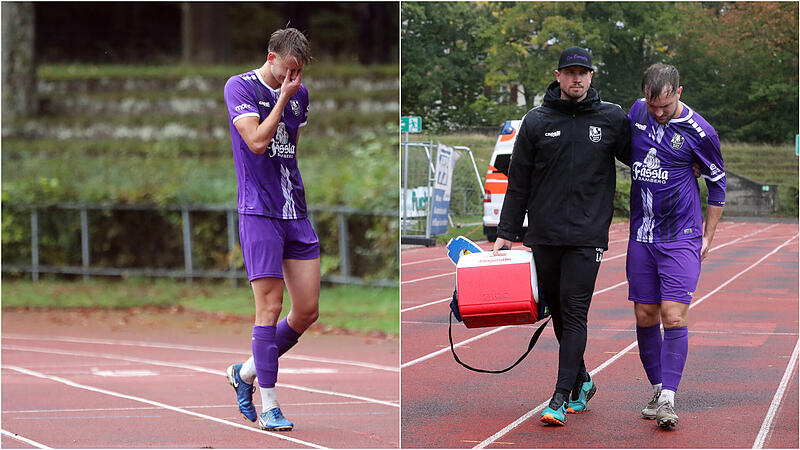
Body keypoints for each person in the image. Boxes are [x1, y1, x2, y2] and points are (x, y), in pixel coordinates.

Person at [492, 46, 631, 426]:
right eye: (569, 72)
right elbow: (518, 182)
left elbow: (644, 158)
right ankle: (583, 381)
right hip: (545, 235)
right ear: (558, 76)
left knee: (574, 312)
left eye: (582, 73)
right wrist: (506, 233)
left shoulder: (612, 118)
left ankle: (558, 397)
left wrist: (688, 163)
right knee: (557, 314)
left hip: (587, 236)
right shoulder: (536, 121)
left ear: (591, 76)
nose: (576, 79)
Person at [222, 27, 320, 432]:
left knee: (307, 311)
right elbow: (258, 142)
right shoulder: (239, 87)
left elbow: (288, 148)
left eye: (298, 73)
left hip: (293, 210)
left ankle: (244, 374)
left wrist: (292, 97)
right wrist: (281, 98)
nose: (292, 79)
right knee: (270, 307)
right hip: (258, 211)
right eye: (287, 70)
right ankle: (271, 404)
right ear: (271, 57)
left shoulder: (302, 94)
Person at [626, 63, 725, 429]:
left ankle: (669, 398)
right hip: (641, 236)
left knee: (673, 316)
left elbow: (718, 184)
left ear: (679, 93)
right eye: (653, 107)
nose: (658, 113)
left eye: (665, 107)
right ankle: (655, 390)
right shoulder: (637, 112)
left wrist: (708, 235)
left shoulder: (701, 132)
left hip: (681, 238)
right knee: (644, 316)